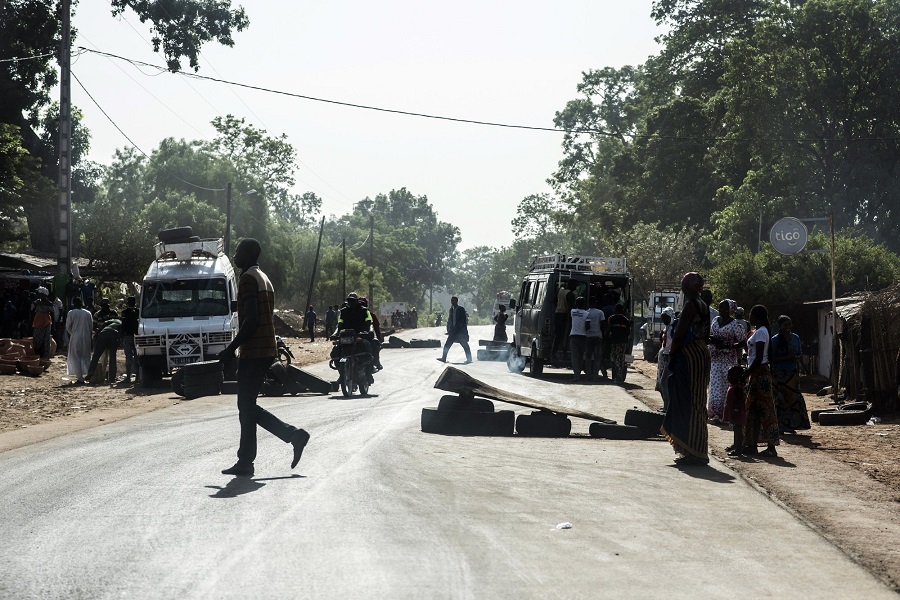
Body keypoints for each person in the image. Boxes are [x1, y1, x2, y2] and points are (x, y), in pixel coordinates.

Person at [216, 238, 310, 478]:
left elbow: (252, 319)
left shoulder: (247, 279)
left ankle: (292, 435)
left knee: (245, 406)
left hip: (254, 351)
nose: (235, 256)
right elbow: (254, 312)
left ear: (247, 254)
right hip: (266, 349)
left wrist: (230, 349)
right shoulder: (263, 278)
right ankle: (246, 461)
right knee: (246, 408)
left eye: (238, 252)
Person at [661, 272, 711, 465]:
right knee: (698, 401)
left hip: (688, 355)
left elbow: (680, 334)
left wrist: (672, 356)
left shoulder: (691, 305)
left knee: (685, 402)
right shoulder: (704, 306)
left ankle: (692, 451)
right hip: (701, 353)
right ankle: (697, 449)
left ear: (687, 288)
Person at [743, 304, 779, 457]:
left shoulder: (761, 332)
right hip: (757, 372)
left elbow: (758, 357)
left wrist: (747, 373)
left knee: (765, 409)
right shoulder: (759, 331)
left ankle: (771, 447)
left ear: (756, 316)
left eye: (751, 314)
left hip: (759, 373)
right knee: (753, 410)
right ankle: (752, 444)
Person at [770, 315, 811, 434]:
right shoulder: (775, 340)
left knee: (794, 399)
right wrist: (788, 357)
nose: (788, 327)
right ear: (780, 326)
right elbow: (772, 358)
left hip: (792, 374)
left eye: (789, 324)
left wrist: (801, 370)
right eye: (785, 325)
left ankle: (793, 424)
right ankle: (781, 425)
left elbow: (799, 355)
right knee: (781, 400)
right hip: (779, 374)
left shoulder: (796, 338)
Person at [707, 299, 745, 423]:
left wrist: (728, 346)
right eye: (719, 308)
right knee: (715, 387)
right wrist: (713, 341)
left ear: (730, 310)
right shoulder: (715, 321)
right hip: (715, 358)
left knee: (727, 386)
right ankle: (715, 414)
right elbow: (711, 335)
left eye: (724, 308)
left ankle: (727, 415)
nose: (721, 310)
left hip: (728, 360)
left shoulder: (734, 324)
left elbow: (742, 342)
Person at [332, 292, 376, 383]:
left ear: (357, 301)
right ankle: (342, 373)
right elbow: (339, 325)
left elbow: (370, 323)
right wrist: (335, 334)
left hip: (360, 336)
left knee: (368, 346)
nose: (351, 302)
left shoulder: (364, 310)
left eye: (353, 300)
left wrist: (370, 331)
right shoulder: (343, 311)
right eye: (349, 300)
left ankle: (369, 370)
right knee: (335, 352)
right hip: (345, 336)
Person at [86, 318, 122, 385]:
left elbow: (104, 324)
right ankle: (112, 378)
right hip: (113, 335)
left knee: (96, 356)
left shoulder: (111, 321)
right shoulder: (120, 322)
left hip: (103, 334)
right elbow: (121, 333)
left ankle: (91, 372)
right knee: (112, 357)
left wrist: (96, 335)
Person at [65, 297, 92, 384]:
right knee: (86, 356)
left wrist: (72, 333)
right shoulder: (88, 313)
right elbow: (91, 327)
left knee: (75, 357)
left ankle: (80, 378)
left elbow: (68, 326)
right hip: (86, 337)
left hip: (75, 337)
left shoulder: (71, 313)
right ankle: (90, 376)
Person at [437, 296, 472, 364]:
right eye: (451, 301)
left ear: (456, 301)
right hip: (453, 331)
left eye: (453, 301)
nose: (452, 302)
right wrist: (449, 329)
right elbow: (450, 320)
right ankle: (443, 358)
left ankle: (469, 358)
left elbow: (463, 320)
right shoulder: (451, 310)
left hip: (460, 331)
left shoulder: (461, 309)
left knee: (464, 344)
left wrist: (458, 327)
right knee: (447, 345)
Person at [723, 365, 747, 456]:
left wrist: (736, 410)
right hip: (735, 412)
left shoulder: (737, 387)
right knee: (736, 429)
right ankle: (736, 446)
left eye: (731, 376)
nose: (729, 378)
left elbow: (740, 400)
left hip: (738, 413)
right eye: (728, 375)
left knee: (738, 430)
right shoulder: (733, 386)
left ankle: (738, 449)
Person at [656, 307, 675, 411]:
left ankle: (667, 407)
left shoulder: (673, 329)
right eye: (662, 318)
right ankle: (666, 405)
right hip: (663, 356)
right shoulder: (666, 328)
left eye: (665, 317)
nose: (663, 320)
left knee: (665, 381)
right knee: (662, 382)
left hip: (670, 356)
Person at [552, 280, 577, 357]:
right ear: (571, 285)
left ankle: (553, 352)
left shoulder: (560, 290)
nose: (575, 288)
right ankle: (564, 353)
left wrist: (558, 307)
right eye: (575, 286)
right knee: (565, 335)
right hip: (565, 315)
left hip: (557, 313)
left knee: (557, 335)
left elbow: (553, 301)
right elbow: (571, 308)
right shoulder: (570, 294)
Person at [607, 304, 631, 383]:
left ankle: (614, 377)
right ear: (622, 310)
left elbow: (609, 330)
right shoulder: (626, 320)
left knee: (613, 359)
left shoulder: (611, 318)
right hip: (622, 343)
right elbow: (628, 332)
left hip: (614, 342)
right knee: (620, 360)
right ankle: (619, 378)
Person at [359, 297, 383, 371]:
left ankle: (375, 363)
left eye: (363, 304)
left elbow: (375, 328)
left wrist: (378, 338)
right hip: (352, 336)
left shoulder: (371, 315)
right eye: (359, 304)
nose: (361, 306)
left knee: (375, 344)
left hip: (366, 336)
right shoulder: (350, 313)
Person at [568, 297, 589, 382]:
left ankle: (576, 376)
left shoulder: (572, 312)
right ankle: (580, 374)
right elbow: (588, 326)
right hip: (583, 337)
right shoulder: (586, 313)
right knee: (581, 356)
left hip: (573, 336)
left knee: (574, 357)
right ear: (584, 304)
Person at [584, 296, 605, 382]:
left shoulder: (586, 312)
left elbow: (586, 325)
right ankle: (595, 376)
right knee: (597, 357)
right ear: (595, 303)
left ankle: (588, 375)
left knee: (588, 357)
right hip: (598, 336)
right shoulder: (600, 312)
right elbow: (603, 324)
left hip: (589, 336)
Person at [121, 296, 140, 385]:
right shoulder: (138, 312)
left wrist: (121, 335)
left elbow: (123, 324)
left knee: (128, 357)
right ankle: (138, 377)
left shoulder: (125, 312)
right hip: (137, 336)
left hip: (128, 336)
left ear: (127, 302)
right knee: (137, 357)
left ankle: (128, 377)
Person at [31, 287, 54, 360]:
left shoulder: (49, 303)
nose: (39, 295)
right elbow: (31, 311)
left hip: (46, 322)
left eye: (40, 294)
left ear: (44, 295)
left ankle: (45, 355)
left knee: (46, 339)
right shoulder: (36, 302)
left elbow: (52, 313)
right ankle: (37, 353)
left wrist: (54, 325)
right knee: (36, 338)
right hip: (38, 321)